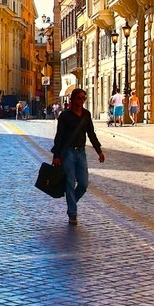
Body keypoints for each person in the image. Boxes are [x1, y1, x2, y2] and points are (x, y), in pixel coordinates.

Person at [51, 88, 105, 225]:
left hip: (81, 153)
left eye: (83, 98)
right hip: (68, 152)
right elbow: (59, 137)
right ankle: (72, 213)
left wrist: (99, 151)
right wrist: (56, 155)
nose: (82, 101)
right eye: (79, 98)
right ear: (73, 100)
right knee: (69, 182)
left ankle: (71, 203)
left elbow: (91, 134)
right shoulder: (65, 116)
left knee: (83, 184)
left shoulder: (86, 115)